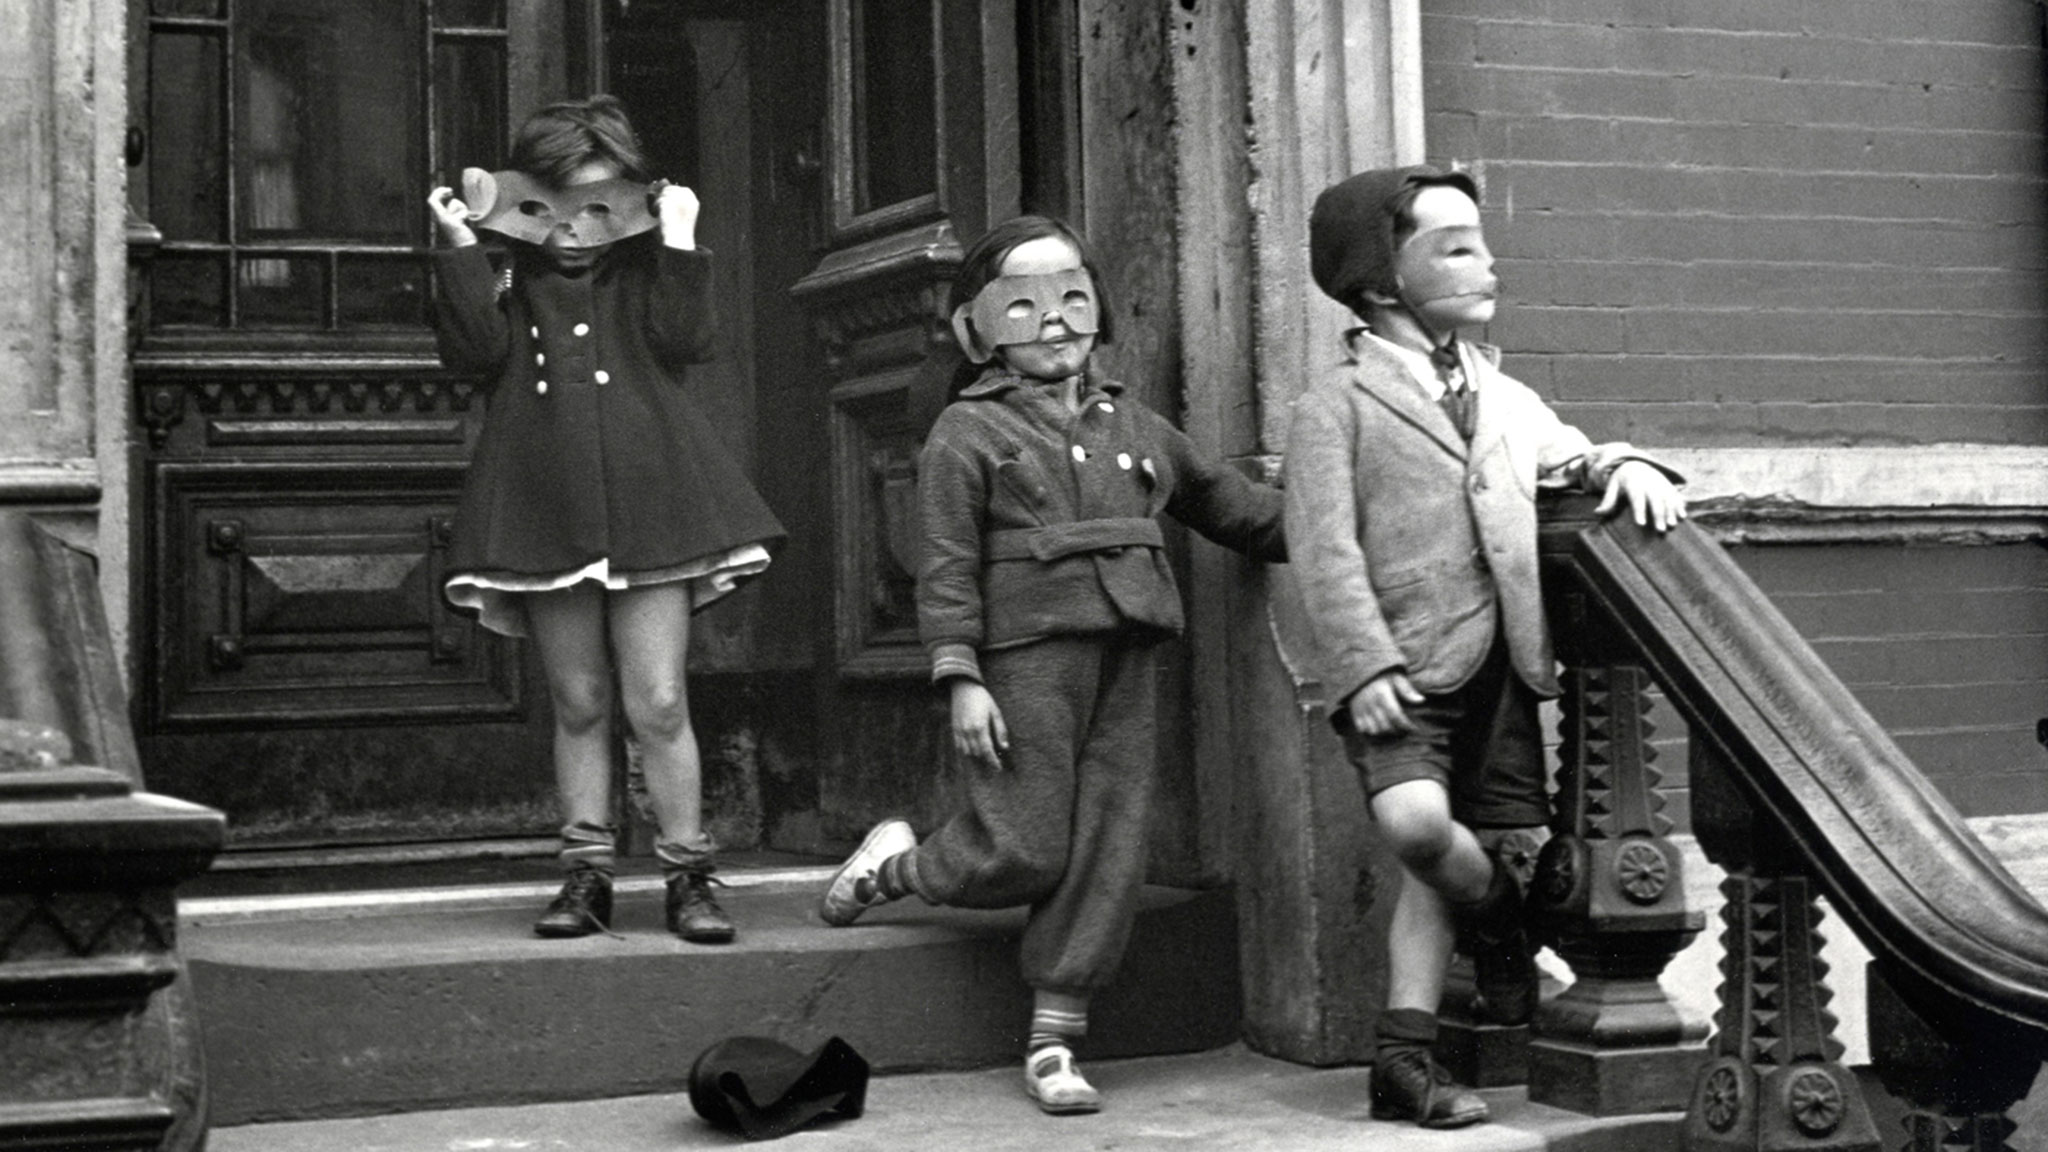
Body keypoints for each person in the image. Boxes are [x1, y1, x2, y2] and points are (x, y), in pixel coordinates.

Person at [816, 216, 1286, 1115]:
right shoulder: (966, 431)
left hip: (1129, 651)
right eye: (1023, 305)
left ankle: (1054, 1039)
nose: (1054, 321)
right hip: (1025, 660)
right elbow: (945, 565)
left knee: (1108, 845)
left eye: (1071, 296)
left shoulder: (1136, 425)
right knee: (1026, 844)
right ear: (979, 329)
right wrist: (961, 676)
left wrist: (1343, 520)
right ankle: (900, 867)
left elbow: (1234, 509)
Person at [1283, 165, 1686, 1128]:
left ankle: (1404, 1062)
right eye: (1455, 246)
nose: (1486, 260)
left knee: (1469, 852)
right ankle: (1502, 925)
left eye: (1481, 240)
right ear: (1385, 281)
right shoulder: (1333, 405)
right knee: (1421, 831)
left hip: (1502, 665)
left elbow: (1564, 451)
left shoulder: (1502, 393)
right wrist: (1364, 664)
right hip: (1401, 672)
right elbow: (1322, 549)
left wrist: (1619, 462)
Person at [426, 95, 783, 945]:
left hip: (653, 500)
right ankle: (585, 875)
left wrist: (682, 237)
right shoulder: (507, 269)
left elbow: (687, 339)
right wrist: (461, 247)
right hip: (545, 504)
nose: (573, 230)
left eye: (596, 203)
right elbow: (474, 355)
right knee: (579, 699)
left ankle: (687, 875)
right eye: (551, 204)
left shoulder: (644, 264)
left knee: (658, 699)